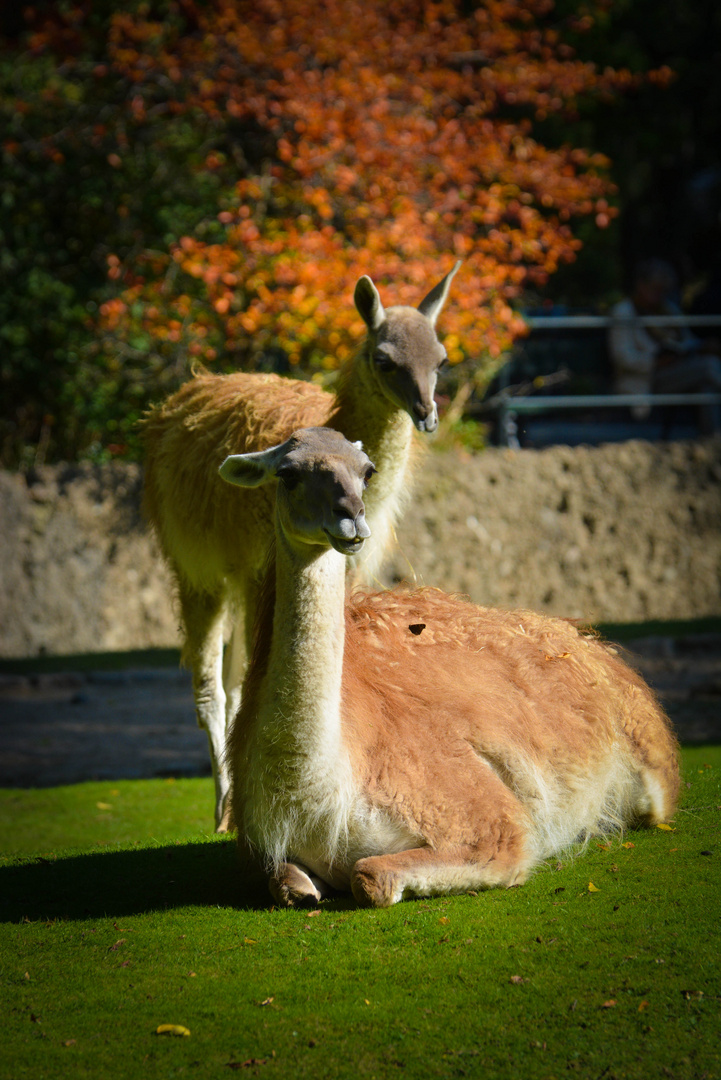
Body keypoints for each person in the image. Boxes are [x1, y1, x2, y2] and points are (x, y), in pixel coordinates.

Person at [608, 258, 721, 433]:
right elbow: (623, 358)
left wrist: (701, 347)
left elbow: (686, 341)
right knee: (708, 366)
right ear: (640, 285)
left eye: (663, 290)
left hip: (677, 371)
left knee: (707, 385)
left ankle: (712, 440)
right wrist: (656, 361)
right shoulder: (624, 312)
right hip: (645, 379)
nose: (659, 295)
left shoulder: (667, 309)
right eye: (655, 289)